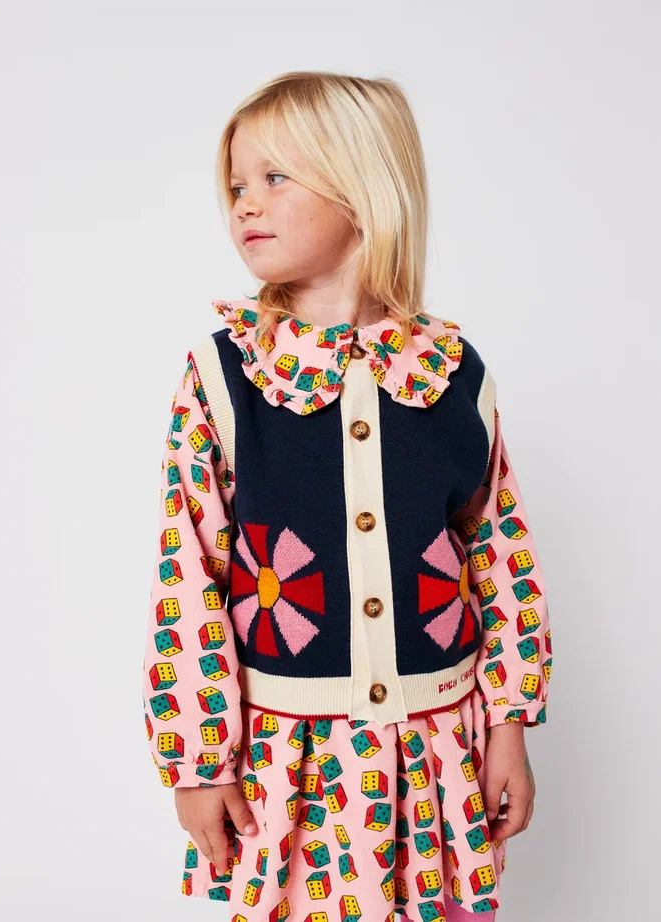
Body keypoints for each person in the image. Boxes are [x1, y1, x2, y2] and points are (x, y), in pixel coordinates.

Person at [141, 71, 552, 921]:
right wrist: (199, 762)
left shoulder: (451, 376)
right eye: (236, 186)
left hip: (440, 747)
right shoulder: (226, 377)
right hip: (292, 760)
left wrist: (508, 725)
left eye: (274, 177)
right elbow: (189, 570)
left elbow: (499, 556)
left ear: (364, 188)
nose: (245, 204)